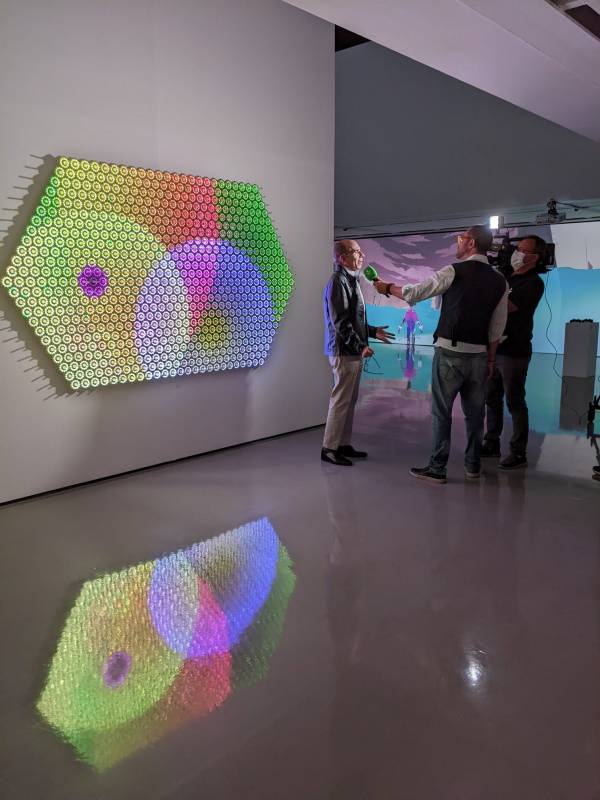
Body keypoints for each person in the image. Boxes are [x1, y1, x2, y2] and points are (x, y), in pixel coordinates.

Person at [374, 225, 508, 484]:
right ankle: (473, 466)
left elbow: (415, 292)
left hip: (449, 353)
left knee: (441, 413)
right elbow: (497, 327)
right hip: (480, 357)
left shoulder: (453, 271)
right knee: (475, 415)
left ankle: (437, 468)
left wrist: (387, 287)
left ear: (471, 243)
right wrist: (491, 359)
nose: (458, 242)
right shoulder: (500, 280)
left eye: (461, 238)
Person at [322, 240, 394, 466]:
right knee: (340, 400)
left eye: (361, 251)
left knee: (349, 400)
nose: (362, 255)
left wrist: (371, 332)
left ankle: (342, 444)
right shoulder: (338, 281)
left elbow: (354, 319)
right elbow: (341, 322)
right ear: (342, 258)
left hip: (351, 350)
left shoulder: (351, 279)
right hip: (344, 351)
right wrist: (360, 346)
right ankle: (329, 448)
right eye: (356, 252)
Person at [482, 236, 547, 469]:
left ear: (535, 257)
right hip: (495, 347)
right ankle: (491, 443)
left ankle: (518, 452)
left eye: (523, 250)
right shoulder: (507, 278)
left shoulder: (533, 283)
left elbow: (506, 308)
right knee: (491, 398)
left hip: (514, 350)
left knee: (514, 401)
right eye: (517, 249)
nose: (517, 253)